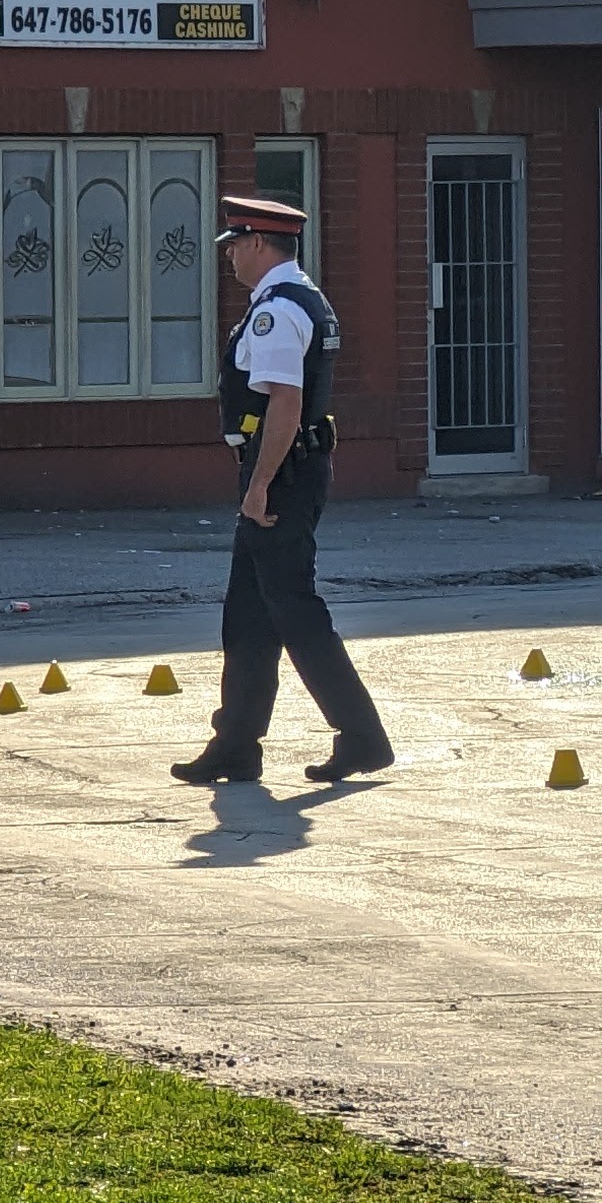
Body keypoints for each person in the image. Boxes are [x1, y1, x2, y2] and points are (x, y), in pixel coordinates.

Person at [173, 196, 393, 787]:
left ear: (259, 245)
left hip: (282, 473)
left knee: (293, 607)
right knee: (249, 610)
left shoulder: (277, 310)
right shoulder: (301, 299)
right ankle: (237, 742)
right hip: (287, 468)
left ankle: (363, 737)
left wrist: (261, 484)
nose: (231, 258)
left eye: (235, 246)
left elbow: (285, 402)